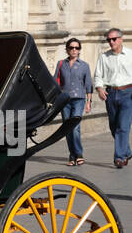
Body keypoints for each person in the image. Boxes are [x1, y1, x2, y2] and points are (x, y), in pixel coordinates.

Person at [93, 28, 132, 168]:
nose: (111, 42)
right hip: (111, 93)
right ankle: (126, 150)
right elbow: (98, 75)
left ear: (121, 39)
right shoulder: (104, 57)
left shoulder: (130, 55)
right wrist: (99, 88)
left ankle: (119, 157)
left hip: (128, 93)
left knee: (123, 126)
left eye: (114, 39)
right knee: (113, 126)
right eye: (108, 39)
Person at [54, 38, 92, 166]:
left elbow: (88, 84)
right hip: (65, 100)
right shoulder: (61, 64)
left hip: (79, 99)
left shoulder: (84, 65)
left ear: (79, 50)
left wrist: (89, 102)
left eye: (76, 48)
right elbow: (56, 83)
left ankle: (79, 154)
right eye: (71, 48)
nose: (74, 50)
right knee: (67, 128)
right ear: (67, 49)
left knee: (75, 127)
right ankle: (72, 155)